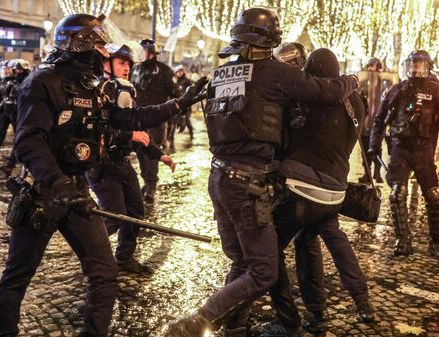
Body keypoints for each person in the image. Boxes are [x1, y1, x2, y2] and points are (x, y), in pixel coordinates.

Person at [0, 14, 206, 337]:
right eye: (100, 43)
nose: (105, 50)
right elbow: (29, 142)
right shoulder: (41, 82)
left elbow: (130, 117)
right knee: (18, 275)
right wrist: (58, 183)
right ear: (82, 45)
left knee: (104, 273)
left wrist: (178, 104)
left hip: (76, 193)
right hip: (42, 194)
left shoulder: (96, 87)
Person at [163, 7, 360, 337]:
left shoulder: (224, 73)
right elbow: (328, 92)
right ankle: (199, 322)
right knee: (264, 271)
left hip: (219, 179)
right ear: (270, 41)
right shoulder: (272, 72)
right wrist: (353, 80)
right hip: (247, 184)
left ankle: (234, 326)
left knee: (241, 261)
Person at [263, 48, 376, 337]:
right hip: (333, 194)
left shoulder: (306, 98)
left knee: (267, 251)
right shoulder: (354, 103)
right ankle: (352, 305)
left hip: (300, 191)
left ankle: (286, 319)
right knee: (315, 241)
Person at [86, 43, 176, 272]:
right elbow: (97, 132)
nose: (126, 68)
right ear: (107, 64)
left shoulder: (124, 91)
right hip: (102, 167)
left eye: (128, 63)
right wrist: (130, 134)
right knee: (114, 216)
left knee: (135, 213)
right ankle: (93, 259)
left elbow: (138, 133)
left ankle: (124, 258)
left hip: (122, 164)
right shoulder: (96, 92)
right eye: (121, 63)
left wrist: (160, 156)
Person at [369, 50, 439, 264]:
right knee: (397, 193)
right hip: (401, 148)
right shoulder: (397, 90)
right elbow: (379, 120)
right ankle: (403, 240)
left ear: (428, 67)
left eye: (420, 65)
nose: (416, 69)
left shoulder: (438, 93)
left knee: (434, 197)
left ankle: (436, 242)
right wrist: (374, 144)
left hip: (425, 149)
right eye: (413, 64)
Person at [130, 38, 177, 205]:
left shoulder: (164, 71)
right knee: (142, 152)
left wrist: (177, 116)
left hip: (157, 118)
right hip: (138, 117)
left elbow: (175, 94)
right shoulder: (135, 69)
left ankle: (151, 185)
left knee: (152, 149)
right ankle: (147, 180)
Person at [0, 59, 31, 176]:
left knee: (19, 138)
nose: (15, 71)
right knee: (0, 132)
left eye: (18, 69)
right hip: (7, 112)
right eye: (15, 69)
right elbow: (6, 97)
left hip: (19, 114)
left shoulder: (28, 82)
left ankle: (10, 164)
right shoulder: (11, 81)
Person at [359, 57, 384, 183]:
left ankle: (377, 173)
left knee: (376, 148)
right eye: (369, 66)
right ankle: (367, 173)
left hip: (378, 122)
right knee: (365, 148)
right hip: (365, 122)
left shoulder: (382, 82)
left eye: (372, 66)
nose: (370, 68)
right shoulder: (364, 83)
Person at [173, 64, 195, 140]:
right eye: (177, 72)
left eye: (180, 71)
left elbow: (192, 89)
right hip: (178, 103)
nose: (179, 73)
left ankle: (191, 134)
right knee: (176, 118)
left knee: (186, 119)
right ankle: (171, 136)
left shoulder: (187, 81)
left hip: (186, 103)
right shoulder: (176, 81)